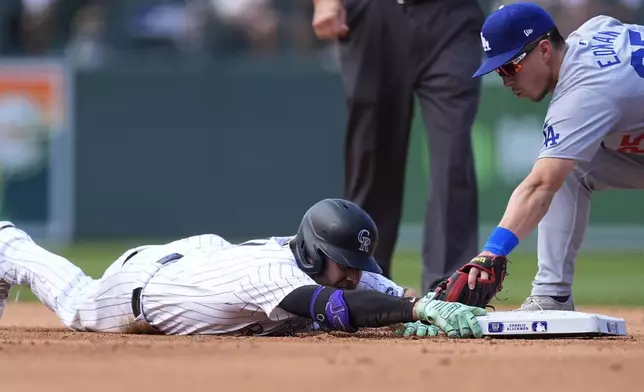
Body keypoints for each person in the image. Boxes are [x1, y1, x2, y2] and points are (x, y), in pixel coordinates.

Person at [0, 198, 487, 337]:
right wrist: (415, 311)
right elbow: (338, 306)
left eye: (359, 264)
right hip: (144, 286)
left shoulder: (325, 264)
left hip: (204, 260)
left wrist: (435, 301)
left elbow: (391, 295)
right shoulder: (275, 275)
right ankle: (11, 246)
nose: (355, 275)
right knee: (75, 300)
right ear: (316, 254)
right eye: (346, 265)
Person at [466, 2, 644, 310]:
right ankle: (552, 293)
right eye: (498, 69)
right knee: (572, 164)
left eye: (510, 66)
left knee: (555, 172)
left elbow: (539, 187)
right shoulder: (593, 31)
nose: (505, 79)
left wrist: (491, 253)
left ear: (545, 49)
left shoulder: (583, 94)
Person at [311, 0, 484, 292]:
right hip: (376, 14)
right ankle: (361, 282)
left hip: (453, 18)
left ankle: (450, 290)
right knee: (372, 158)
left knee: (453, 157)